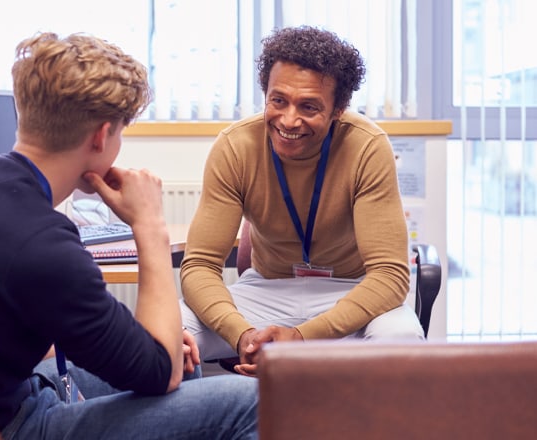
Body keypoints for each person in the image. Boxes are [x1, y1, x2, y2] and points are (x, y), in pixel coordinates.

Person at [0, 32, 257, 439]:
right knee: (253, 401)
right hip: (4, 427)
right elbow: (160, 373)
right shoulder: (43, 244)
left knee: (186, 363)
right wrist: (150, 225)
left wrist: (148, 347)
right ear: (100, 135)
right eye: (121, 133)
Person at [180, 25, 425, 376]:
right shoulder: (235, 147)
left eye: (309, 106)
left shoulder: (367, 147)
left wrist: (302, 337)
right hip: (266, 292)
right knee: (168, 331)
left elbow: (389, 275)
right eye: (278, 100)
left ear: (338, 108)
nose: (289, 120)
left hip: (350, 291)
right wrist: (244, 336)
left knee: (401, 340)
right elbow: (199, 266)